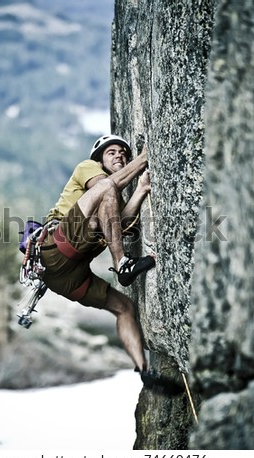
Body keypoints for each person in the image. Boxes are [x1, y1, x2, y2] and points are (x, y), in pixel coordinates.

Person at [40, 135, 179, 392]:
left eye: (123, 153)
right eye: (111, 152)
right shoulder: (87, 168)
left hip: (67, 276)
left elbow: (122, 224)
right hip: (56, 247)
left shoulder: (109, 203)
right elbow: (106, 186)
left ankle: (145, 372)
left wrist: (141, 190)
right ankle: (122, 263)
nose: (119, 156)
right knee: (105, 191)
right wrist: (143, 159)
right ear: (99, 160)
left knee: (125, 307)